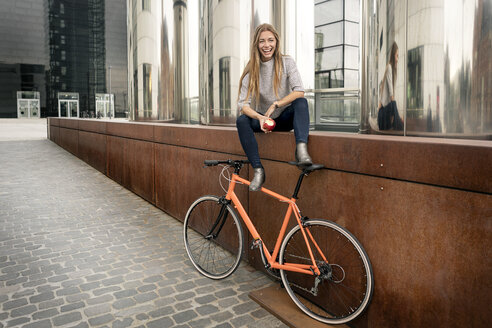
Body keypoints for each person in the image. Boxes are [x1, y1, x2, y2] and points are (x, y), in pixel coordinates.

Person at [236, 23, 312, 191]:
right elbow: (243, 104)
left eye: (270, 40)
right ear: (257, 44)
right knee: (242, 120)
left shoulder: (287, 62)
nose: (267, 45)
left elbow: (299, 91)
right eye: (262, 41)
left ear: (276, 42)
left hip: (284, 118)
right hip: (264, 121)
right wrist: (260, 117)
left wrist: (276, 104)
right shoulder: (251, 70)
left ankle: (301, 151)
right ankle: (258, 170)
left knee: (301, 102)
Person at [378, 41, 403, 130]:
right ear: (393, 55)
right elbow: (390, 88)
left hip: (385, 108)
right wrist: (394, 104)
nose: (397, 59)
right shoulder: (389, 67)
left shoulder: (390, 68)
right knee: (398, 126)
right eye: (397, 55)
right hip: (385, 109)